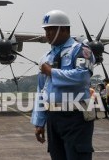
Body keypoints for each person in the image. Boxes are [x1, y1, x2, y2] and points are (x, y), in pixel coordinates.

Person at [31, 10, 95, 160]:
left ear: (65, 29)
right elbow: (41, 91)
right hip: (53, 117)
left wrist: (51, 72)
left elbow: (82, 76)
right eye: (46, 30)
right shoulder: (46, 57)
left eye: (51, 29)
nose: (47, 33)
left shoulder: (81, 50)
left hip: (76, 117)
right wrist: (39, 122)